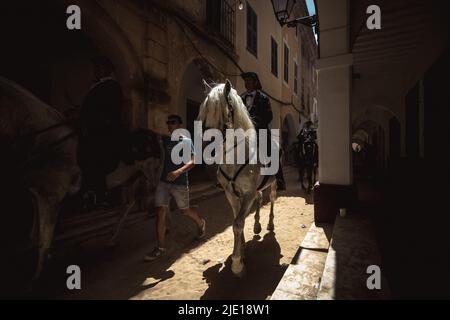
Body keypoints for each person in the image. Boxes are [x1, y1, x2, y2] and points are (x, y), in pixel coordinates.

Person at [144, 115, 206, 261]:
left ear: (179, 125)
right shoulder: (165, 141)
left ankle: (200, 223)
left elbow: (194, 161)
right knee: (160, 211)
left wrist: (178, 172)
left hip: (180, 183)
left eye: (172, 122)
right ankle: (160, 248)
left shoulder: (186, 141)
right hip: (163, 182)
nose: (169, 125)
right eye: (168, 123)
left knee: (184, 211)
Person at [77, 56, 123, 207]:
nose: (96, 71)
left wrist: (92, 123)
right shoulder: (95, 86)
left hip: (103, 131)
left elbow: (109, 111)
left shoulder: (112, 86)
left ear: (107, 70)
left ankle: (100, 194)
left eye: (99, 68)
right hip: (90, 127)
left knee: (94, 155)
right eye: (96, 68)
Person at [240, 72, 286, 190]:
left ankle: (279, 178)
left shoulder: (263, 98)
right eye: (245, 81)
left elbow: (269, 116)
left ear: (255, 83)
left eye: (249, 81)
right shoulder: (240, 98)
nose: (247, 83)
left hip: (260, 130)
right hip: (243, 132)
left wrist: (255, 125)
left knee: (273, 149)